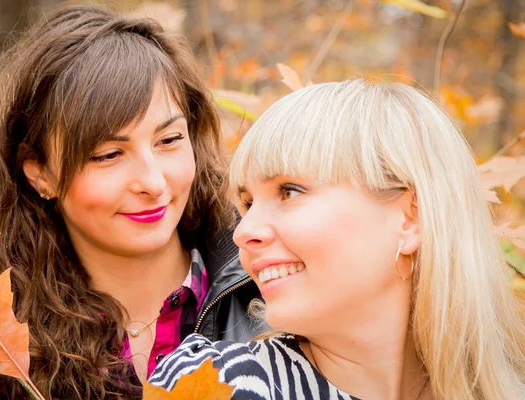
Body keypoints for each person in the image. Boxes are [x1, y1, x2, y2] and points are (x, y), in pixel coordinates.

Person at [149, 79, 525, 399]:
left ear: (412, 217)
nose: (244, 232)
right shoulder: (213, 384)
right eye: (247, 204)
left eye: (290, 191)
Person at [0, 4, 264, 399]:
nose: (153, 183)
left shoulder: (267, 284)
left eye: (169, 140)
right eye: (108, 155)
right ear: (40, 174)